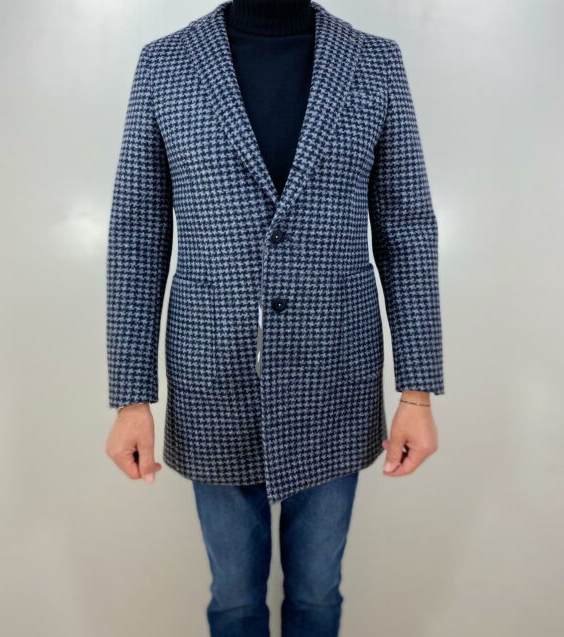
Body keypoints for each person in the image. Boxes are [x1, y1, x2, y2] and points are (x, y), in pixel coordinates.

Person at [105, 1, 443, 635]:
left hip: (335, 376)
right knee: (234, 597)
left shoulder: (374, 61)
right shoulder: (166, 63)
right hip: (214, 376)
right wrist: (131, 397)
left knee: (317, 592)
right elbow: (137, 234)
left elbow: (407, 229)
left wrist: (417, 393)